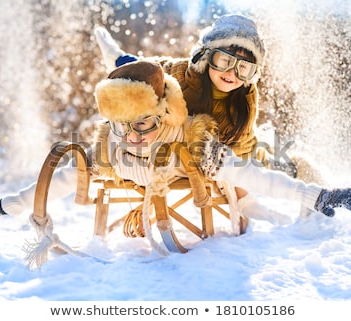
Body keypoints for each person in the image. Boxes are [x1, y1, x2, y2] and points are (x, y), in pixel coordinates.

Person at [0, 61, 351, 228]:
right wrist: (7, 206)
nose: (132, 135)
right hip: (135, 179)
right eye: (120, 125)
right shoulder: (112, 143)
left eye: (142, 123)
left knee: (247, 175)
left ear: (162, 112)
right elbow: (57, 181)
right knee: (73, 169)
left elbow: (256, 176)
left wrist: (314, 197)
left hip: (182, 167)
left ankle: (315, 197)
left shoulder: (191, 141)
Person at [93, 13, 325, 220]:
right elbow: (139, 70)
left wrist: (232, 186)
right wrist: (114, 54)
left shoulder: (244, 99)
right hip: (184, 147)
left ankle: (303, 175)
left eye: (243, 69)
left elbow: (241, 149)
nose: (231, 74)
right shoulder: (180, 74)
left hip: (232, 151)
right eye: (224, 61)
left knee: (269, 163)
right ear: (206, 56)